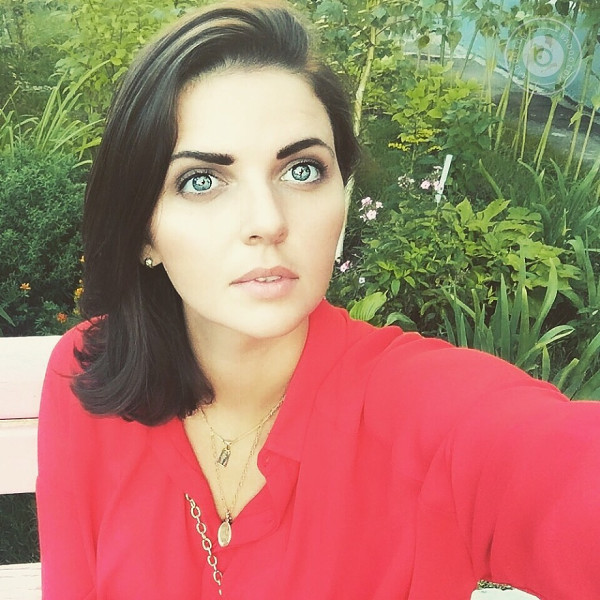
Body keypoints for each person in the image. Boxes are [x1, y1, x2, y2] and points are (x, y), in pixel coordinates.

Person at [36, 1, 600, 599]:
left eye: (302, 170)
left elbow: (557, 475)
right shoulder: (90, 371)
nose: (268, 221)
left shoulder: (422, 412)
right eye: (201, 181)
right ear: (143, 231)